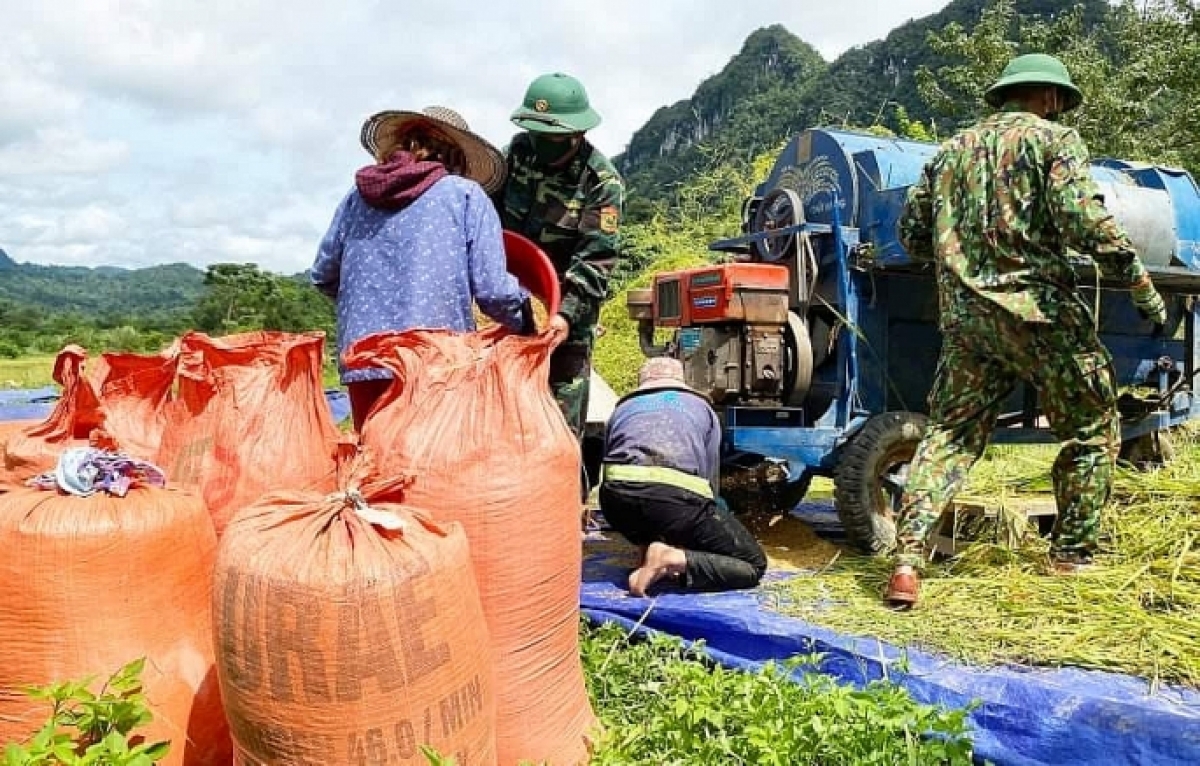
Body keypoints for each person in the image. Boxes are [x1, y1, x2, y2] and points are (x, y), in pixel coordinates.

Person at [886, 53, 1170, 607]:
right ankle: (1070, 555)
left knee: (949, 437)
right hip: (1042, 317)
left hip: (968, 324)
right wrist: (1141, 285)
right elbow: (1082, 220)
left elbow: (914, 236)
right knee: (1092, 428)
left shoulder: (949, 152)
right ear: (1050, 96)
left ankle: (906, 562)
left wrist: (965, 257)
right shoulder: (1054, 140)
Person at [310, 106, 535, 431]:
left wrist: (368, 303)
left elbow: (323, 274)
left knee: (374, 456)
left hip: (364, 359)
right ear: (456, 157)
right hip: (438, 361)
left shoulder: (355, 199)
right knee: (431, 458)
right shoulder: (465, 195)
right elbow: (494, 291)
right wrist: (526, 322)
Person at [493, 72, 625, 493]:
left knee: (559, 425)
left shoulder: (600, 183)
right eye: (535, 133)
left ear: (577, 133)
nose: (541, 143)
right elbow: (483, 217)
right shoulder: (515, 155)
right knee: (500, 418)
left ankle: (564, 505)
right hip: (506, 310)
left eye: (551, 136)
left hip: (566, 320)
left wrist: (565, 316)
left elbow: (596, 259)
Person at [599, 357, 767, 597]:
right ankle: (670, 557)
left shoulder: (621, 409)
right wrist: (712, 522)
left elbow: (611, 460)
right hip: (672, 504)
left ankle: (647, 549)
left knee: (653, 507)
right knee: (753, 564)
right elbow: (709, 480)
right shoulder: (702, 408)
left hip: (616, 505)